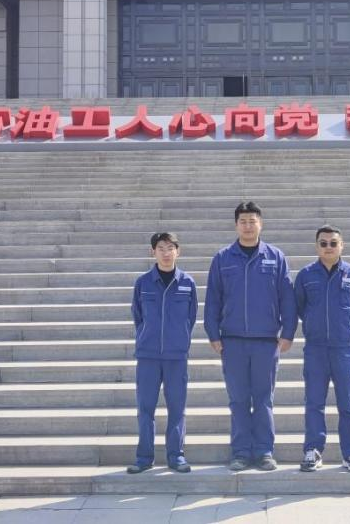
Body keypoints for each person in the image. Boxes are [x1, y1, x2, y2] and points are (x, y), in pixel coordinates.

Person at [204, 201, 297, 471]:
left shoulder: (276, 257)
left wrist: (288, 332)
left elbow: (287, 297)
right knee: (239, 400)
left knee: (264, 398)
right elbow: (213, 299)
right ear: (236, 225)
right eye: (243, 221)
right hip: (232, 341)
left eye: (252, 221)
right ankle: (241, 452)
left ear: (260, 224)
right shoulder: (223, 258)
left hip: (266, 341)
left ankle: (265, 451)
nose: (247, 226)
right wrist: (213, 334)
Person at [294, 225, 350, 473]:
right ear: (317, 246)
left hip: (343, 348)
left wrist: (348, 327)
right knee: (314, 402)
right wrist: (313, 323)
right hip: (315, 349)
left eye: (333, 243)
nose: (328, 247)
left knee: (348, 404)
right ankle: (313, 451)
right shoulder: (306, 275)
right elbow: (299, 306)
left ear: (341, 246)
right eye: (323, 243)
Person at [127, 232, 197, 474]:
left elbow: (191, 318)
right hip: (148, 356)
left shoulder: (187, 283)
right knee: (145, 409)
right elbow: (138, 316)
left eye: (170, 248)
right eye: (161, 248)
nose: (166, 253)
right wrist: (146, 337)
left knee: (177, 409)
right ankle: (144, 457)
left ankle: (176, 456)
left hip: (176, 356)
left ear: (178, 251)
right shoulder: (143, 283)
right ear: (153, 252)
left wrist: (180, 340)